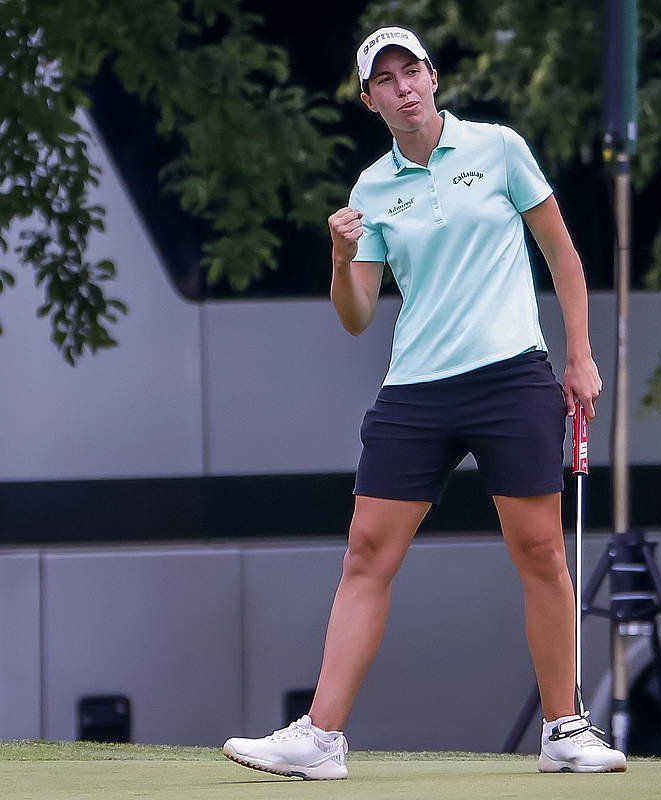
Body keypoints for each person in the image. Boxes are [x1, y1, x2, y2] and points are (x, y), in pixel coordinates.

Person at [222, 26, 627, 779]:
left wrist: (579, 355)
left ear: (434, 79)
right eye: (386, 79)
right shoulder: (371, 189)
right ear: (370, 99)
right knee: (366, 553)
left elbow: (563, 255)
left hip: (511, 375)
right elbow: (356, 313)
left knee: (539, 550)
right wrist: (341, 257)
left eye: (413, 72)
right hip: (416, 388)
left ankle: (565, 728)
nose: (403, 87)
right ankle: (321, 739)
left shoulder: (499, 148)